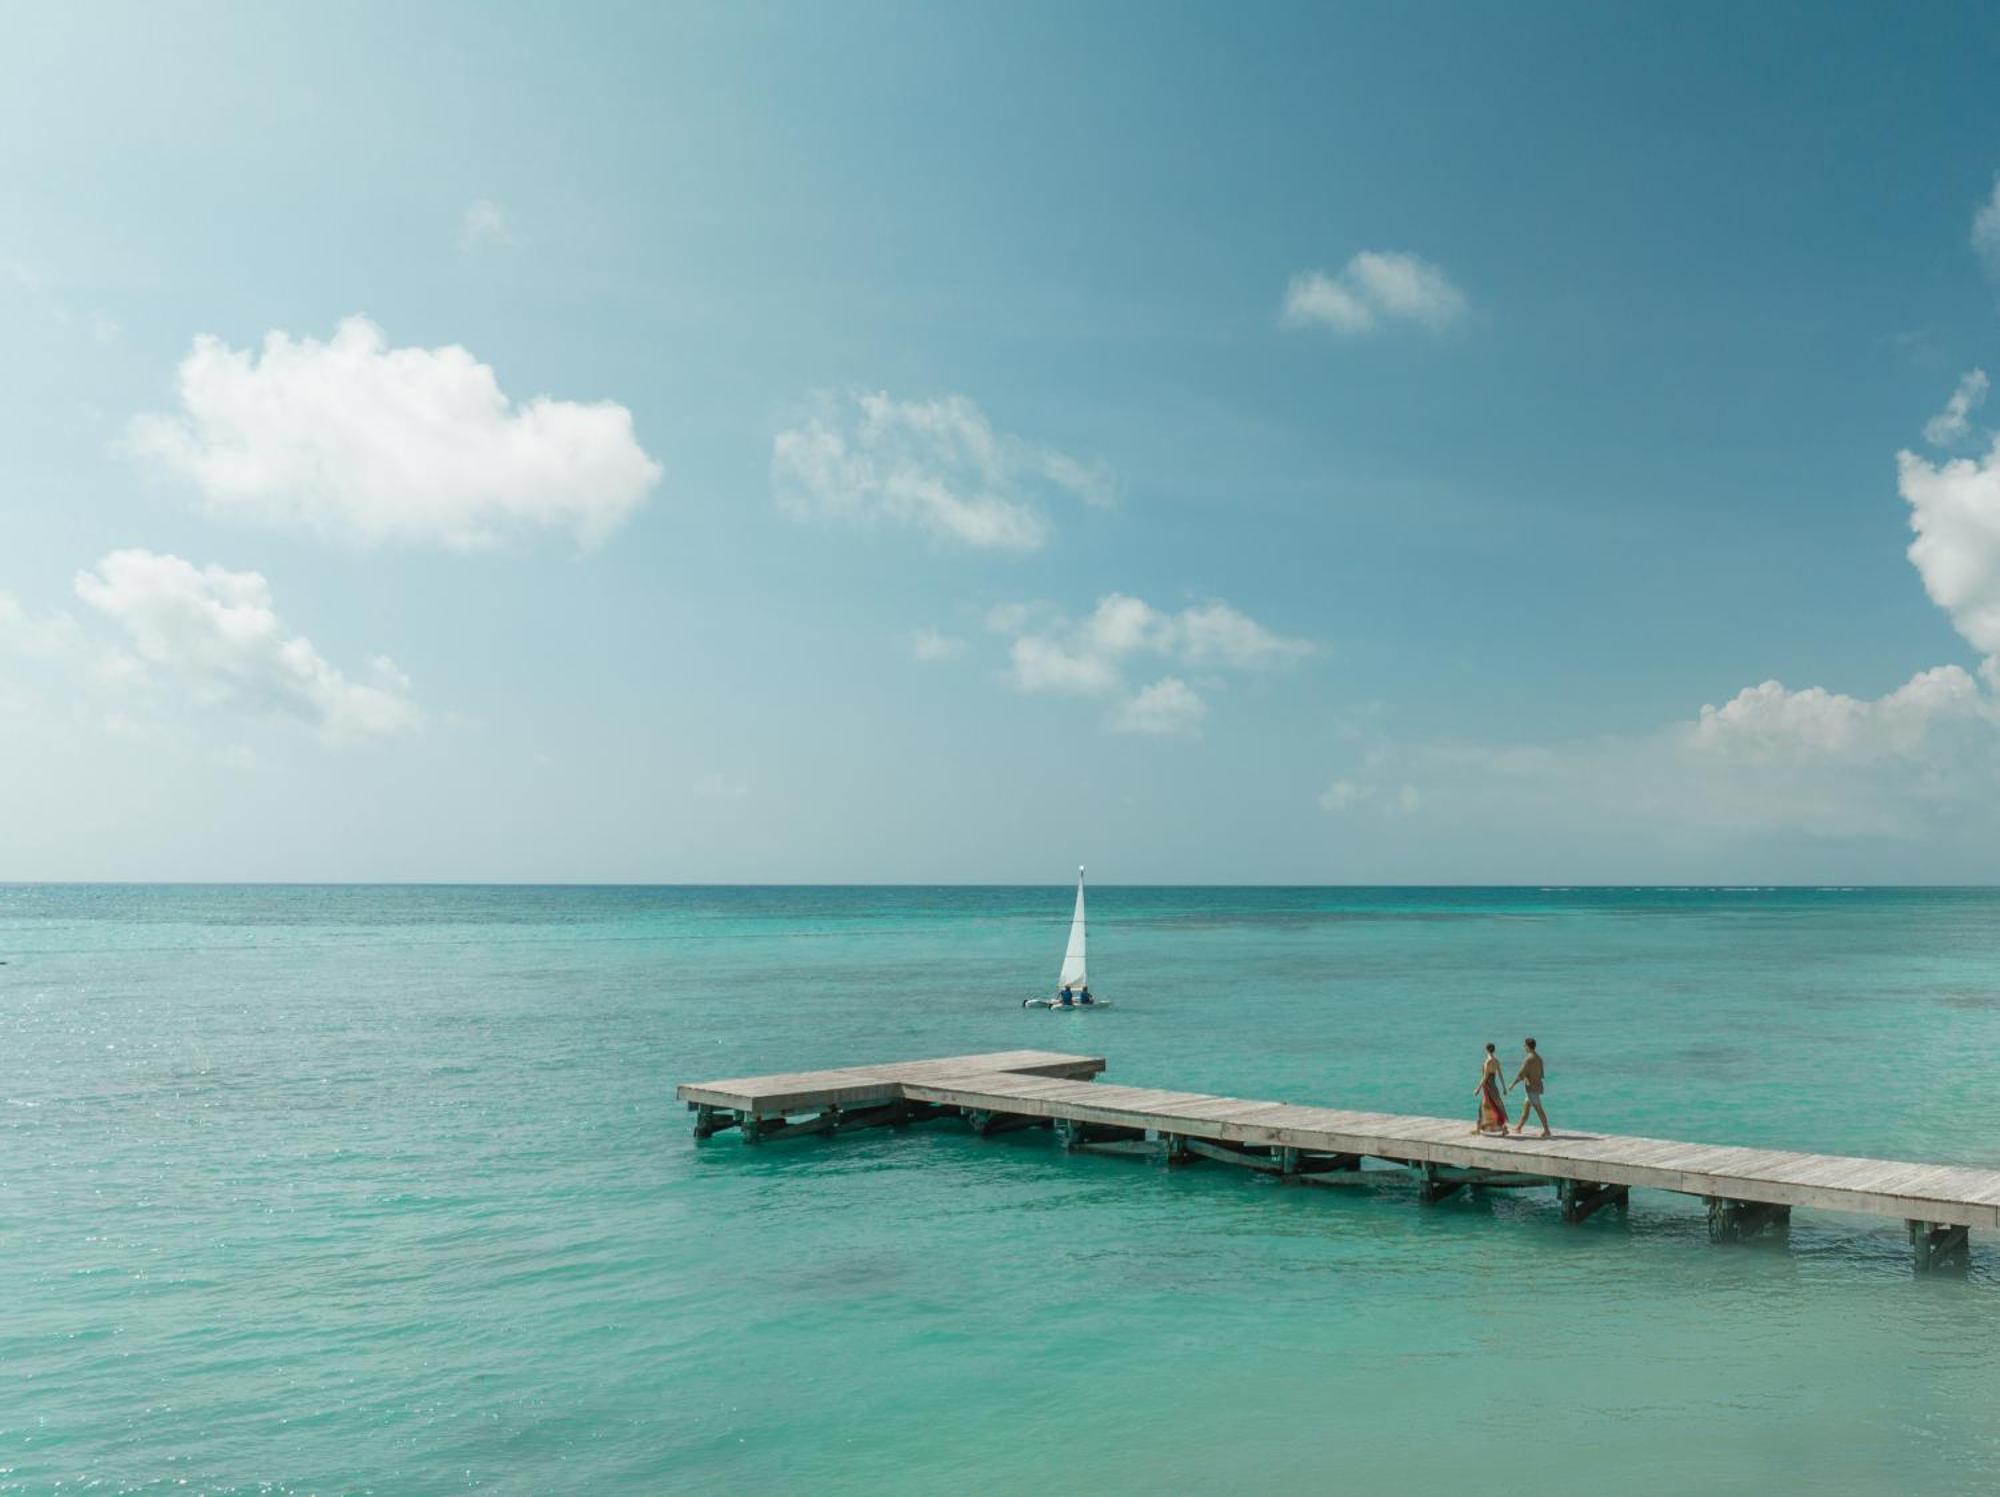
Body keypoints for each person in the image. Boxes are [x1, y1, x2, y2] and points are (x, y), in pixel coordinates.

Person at [1509, 1037, 1550, 1138]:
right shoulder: (1538, 1058)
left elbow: (1521, 1074)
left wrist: (1512, 1084)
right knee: (1526, 1107)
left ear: (1527, 1046)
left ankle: (1547, 1130)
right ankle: (1519, 1127)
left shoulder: (1528, 1059)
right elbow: (1541, 1074)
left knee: (1538, 1109)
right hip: (1537, 1086)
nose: (1523, 1047)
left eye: (1524, 1045)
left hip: (1532, 1088)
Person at [1472, 1042, 1508, 1135]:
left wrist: (1477, 1089)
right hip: (1494, 1086)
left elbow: (1485, 1077)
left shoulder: (1488, 1061)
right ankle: (1503, 1128)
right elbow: (1500, 1075)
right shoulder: (1496, 1061)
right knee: (1495, 1106)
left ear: (1486, 1050)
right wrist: (1504, 1087)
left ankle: (1478, 1130)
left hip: (1488, 1086)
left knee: (1484, 1107)